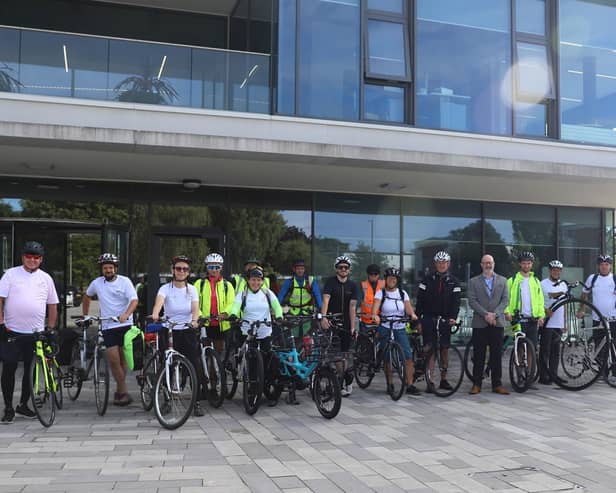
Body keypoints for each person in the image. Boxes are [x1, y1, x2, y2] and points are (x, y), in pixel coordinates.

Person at [0, 241, 59, 423]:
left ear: (40, 259)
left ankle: (23, 405)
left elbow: (52, 305)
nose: (32, 260)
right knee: (9, 367)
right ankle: (8, 407)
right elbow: (0, 299)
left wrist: (50, 328)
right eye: (28, 257)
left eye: (36, 257)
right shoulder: (10, 275)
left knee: (30, 370)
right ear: (22, 257)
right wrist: (1, 323)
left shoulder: (46, 278)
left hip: (35, 332)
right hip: (12, 331)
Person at [83, 253, 138, 406]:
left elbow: (134, 300)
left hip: (125, 324)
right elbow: (87, 296)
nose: (108, 270)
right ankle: (123, 391)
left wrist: (126, 314)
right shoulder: (97, 283)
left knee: (123, 359)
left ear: (115, 268)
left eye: (110, 267)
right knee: (113, 360)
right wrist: (86, 315)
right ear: (102, 269)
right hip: (108, 325)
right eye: (105, 268)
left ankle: (120, 392)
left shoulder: (125, 282)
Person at [151, 255, 203, 417]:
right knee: (167, 364)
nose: (181, 271)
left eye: (185, 269)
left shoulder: (192, 289)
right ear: (172, 270)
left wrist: (194, 321)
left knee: (195, 364)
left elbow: (195, 308)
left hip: (187, 329)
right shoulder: (165, 289)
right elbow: (158, 304)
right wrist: (155, 315)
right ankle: (167, 400)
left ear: (188, 272)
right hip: (169, 329)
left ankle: (197, 402)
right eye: (178, 268)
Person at [229, 268, 283, 403]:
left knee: (269, 359)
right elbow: (236, 306)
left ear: (262, 281)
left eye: (258, 280)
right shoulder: (243, 294)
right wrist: (234, 315)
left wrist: (279, 316)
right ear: (248, 280)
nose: (256, 283)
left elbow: (277, 306)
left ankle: (267, 386)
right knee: (251, 362)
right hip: (248, 332)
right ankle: (252, 389)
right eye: (253, 280)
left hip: (265, 331)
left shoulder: (267, 293)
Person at [415, 251, 461, 393]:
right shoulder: (426, 280)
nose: (442, 265)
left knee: (445, 349)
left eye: (444, 262)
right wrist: (418, 320)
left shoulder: (454, 281)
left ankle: (444, 379)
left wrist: (453, 317)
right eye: (439, 263)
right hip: (429, 318)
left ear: (448, 263)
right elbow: (419, 301)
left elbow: (456, 302)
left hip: (445, 319)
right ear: (435, 264)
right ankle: (430, 381)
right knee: (431, 350)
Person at [372, 267, 420, 395]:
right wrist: (375, 315)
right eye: (390, 278)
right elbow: (375, 307)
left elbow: (408, 308)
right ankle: (390, 384)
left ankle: (410, 384)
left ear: (397, 280)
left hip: (399, 327)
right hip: (386, 327)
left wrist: (413, 315)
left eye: (394, 278)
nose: (392, 280)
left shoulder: (402, 293)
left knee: (408, 356)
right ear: (386, 280)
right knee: (387, 357)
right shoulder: (380, 293)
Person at [468, 254, 510, 395]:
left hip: (497, 323)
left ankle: (497, 384)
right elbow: (472, 301)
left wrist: (495, 314)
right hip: (480, 323)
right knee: (479, 355)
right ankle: (476, 384)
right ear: (481, 265)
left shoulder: (503, 281)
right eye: (485, 263)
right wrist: (486, 314)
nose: (488, 265)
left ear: (494, 264)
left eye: (490, 262)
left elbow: (505, 301)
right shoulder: (473, 282)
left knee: (496, 355)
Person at [320, 255, 360, 397]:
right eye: (340, 267)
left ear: (349, 270)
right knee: (334, 354)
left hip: (346, 323)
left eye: (346, 267)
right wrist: (324, 317)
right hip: (332, 321)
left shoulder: (353, 285)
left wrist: (353, 326)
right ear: (336, 269)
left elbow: (352, 306)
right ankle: (341, 379)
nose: (343, 269)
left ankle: (344, 379)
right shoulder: (330, 282)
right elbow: (326, 300)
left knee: (344, 354)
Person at [193, 253, 235, 356]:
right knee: (201, 354)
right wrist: (200, 315)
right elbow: (193, 302)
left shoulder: (227, 285)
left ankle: (215, 372)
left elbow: (231, 302)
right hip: (203, 324)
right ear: (207, 267)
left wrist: (225, 313)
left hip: (220, 325)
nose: (214, 270)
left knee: (217, 354)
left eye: (217, 267)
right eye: (211, 267)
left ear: (221, 268)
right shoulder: (199, 283)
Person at [504, 251, 544, 352]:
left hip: (532, 319)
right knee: (520, 347)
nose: (526, 265)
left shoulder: (536, 281)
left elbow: (540, 300)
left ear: (532, 264)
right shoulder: (511, 281)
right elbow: (505, 298)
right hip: (516, 319)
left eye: (529, 263)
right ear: (520, 264)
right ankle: (519, 366)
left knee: (532, 350)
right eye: (524, 263)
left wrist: (541, 315)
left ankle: (530, 368)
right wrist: (507, 312)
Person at [278, 259, 322, 339]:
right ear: (294, 269)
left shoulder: (311, 281)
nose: (300, 271)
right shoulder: (289, 282)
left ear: (304, 269)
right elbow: (281, 296)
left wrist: (321, 309)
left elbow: (317, 294)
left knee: (308, 337)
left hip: (307, 313)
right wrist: (277, 309)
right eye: (298, 268)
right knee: (294, 338)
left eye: (302, 268)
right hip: (294, 313)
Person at [539, 260, 567, 384]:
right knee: (545, 350)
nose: (556, 272)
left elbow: (565, 304)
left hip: (559, 322)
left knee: (556, 351)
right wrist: (545, 310)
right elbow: (538, 301)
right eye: (554, 270)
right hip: (547, 322)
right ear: (550, 271)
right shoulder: (542, 284)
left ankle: (553, 375)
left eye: (558, 270)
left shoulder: (563, 285)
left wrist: (565, 323)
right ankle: (543, 376)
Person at [578, 254, 616, 344]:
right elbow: (584, 294)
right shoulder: (592, 278)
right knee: (598, 349)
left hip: (613, 319)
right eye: (602, 264)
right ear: (598, 266)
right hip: (597, 319)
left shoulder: (614, 279)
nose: (604, 267)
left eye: (606, 264)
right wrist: (581, 309)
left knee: (613, 348)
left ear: (610, 266)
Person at [359, 264, 385, 332]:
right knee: (364, 342)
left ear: (378, 275)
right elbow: (356, 302)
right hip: (366, 322)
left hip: (382, 321)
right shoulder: (362, 285)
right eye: (371, 274)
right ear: (368, 274)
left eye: (375, 274)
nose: (373, 276)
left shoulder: (384, 285)